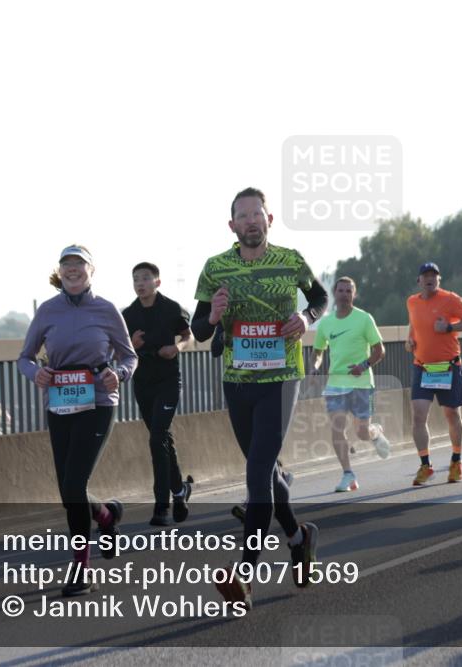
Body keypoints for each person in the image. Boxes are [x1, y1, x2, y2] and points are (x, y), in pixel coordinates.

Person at [191, 187, 328, 610]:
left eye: (257, 214)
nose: (251, 221)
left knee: (257, 473)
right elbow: (198, 329)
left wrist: (306, 317)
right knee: (265, 474)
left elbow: (320, 297)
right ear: (232, 225)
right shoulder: (216, 268)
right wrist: (213, 315)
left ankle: (244, 577)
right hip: (237, 379)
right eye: (242, 215)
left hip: (282, 377)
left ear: (270, 220)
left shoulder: (290, 261)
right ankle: (298, 537)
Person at [18, 245, 138, 596]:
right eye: (66, 265)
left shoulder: (106, 309)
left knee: (73, 485)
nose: (73, 270)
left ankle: (81, 568)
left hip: (98, 400)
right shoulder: (47, 311)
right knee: (68, 489)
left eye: (79, 264)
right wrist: (35, 373)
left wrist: (119, 373)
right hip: (59, 403)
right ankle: (105, 516)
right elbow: (24, 358)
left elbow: (129, 356)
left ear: (91, 270)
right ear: (60, 271)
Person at [121, 261, 194, 526]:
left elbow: (189, 336)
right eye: (135, 279)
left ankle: (161, 505)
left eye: (145, 278)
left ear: (157, 282)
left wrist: (176, 349)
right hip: (143, 383)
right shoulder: (128, 314)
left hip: (168, 381)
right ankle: (180, 491)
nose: (140, 283)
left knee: (157, 438)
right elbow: (120, 350)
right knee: (161, 439)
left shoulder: (171, 308)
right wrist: (133, 344)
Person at [311, 276, 390, 492]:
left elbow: (379, 351)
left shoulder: (364, 319)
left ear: (353, 295)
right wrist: (316, 365)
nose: (344, 294)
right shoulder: (326, 323)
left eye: (348, 291)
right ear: (334, 294)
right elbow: (318, 350)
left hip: (361, 382)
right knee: (337, 428)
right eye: (341, 291)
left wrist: (362, 366)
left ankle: (375, 432)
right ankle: (348, 474)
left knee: (361, 432)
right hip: (335, 383)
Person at [406, 262, 462, 486]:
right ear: (419, 281)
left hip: (448, 367)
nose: (430, 279)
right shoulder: (411, 302)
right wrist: (409, 341)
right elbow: (414, 325)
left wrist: (449, 328)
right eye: (425, 276)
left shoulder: (450, 299)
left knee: (452, 415)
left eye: (434, 276)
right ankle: (425, 466)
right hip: (423, 367)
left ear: (439, 279)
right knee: (418, 416)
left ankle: (456, 461)